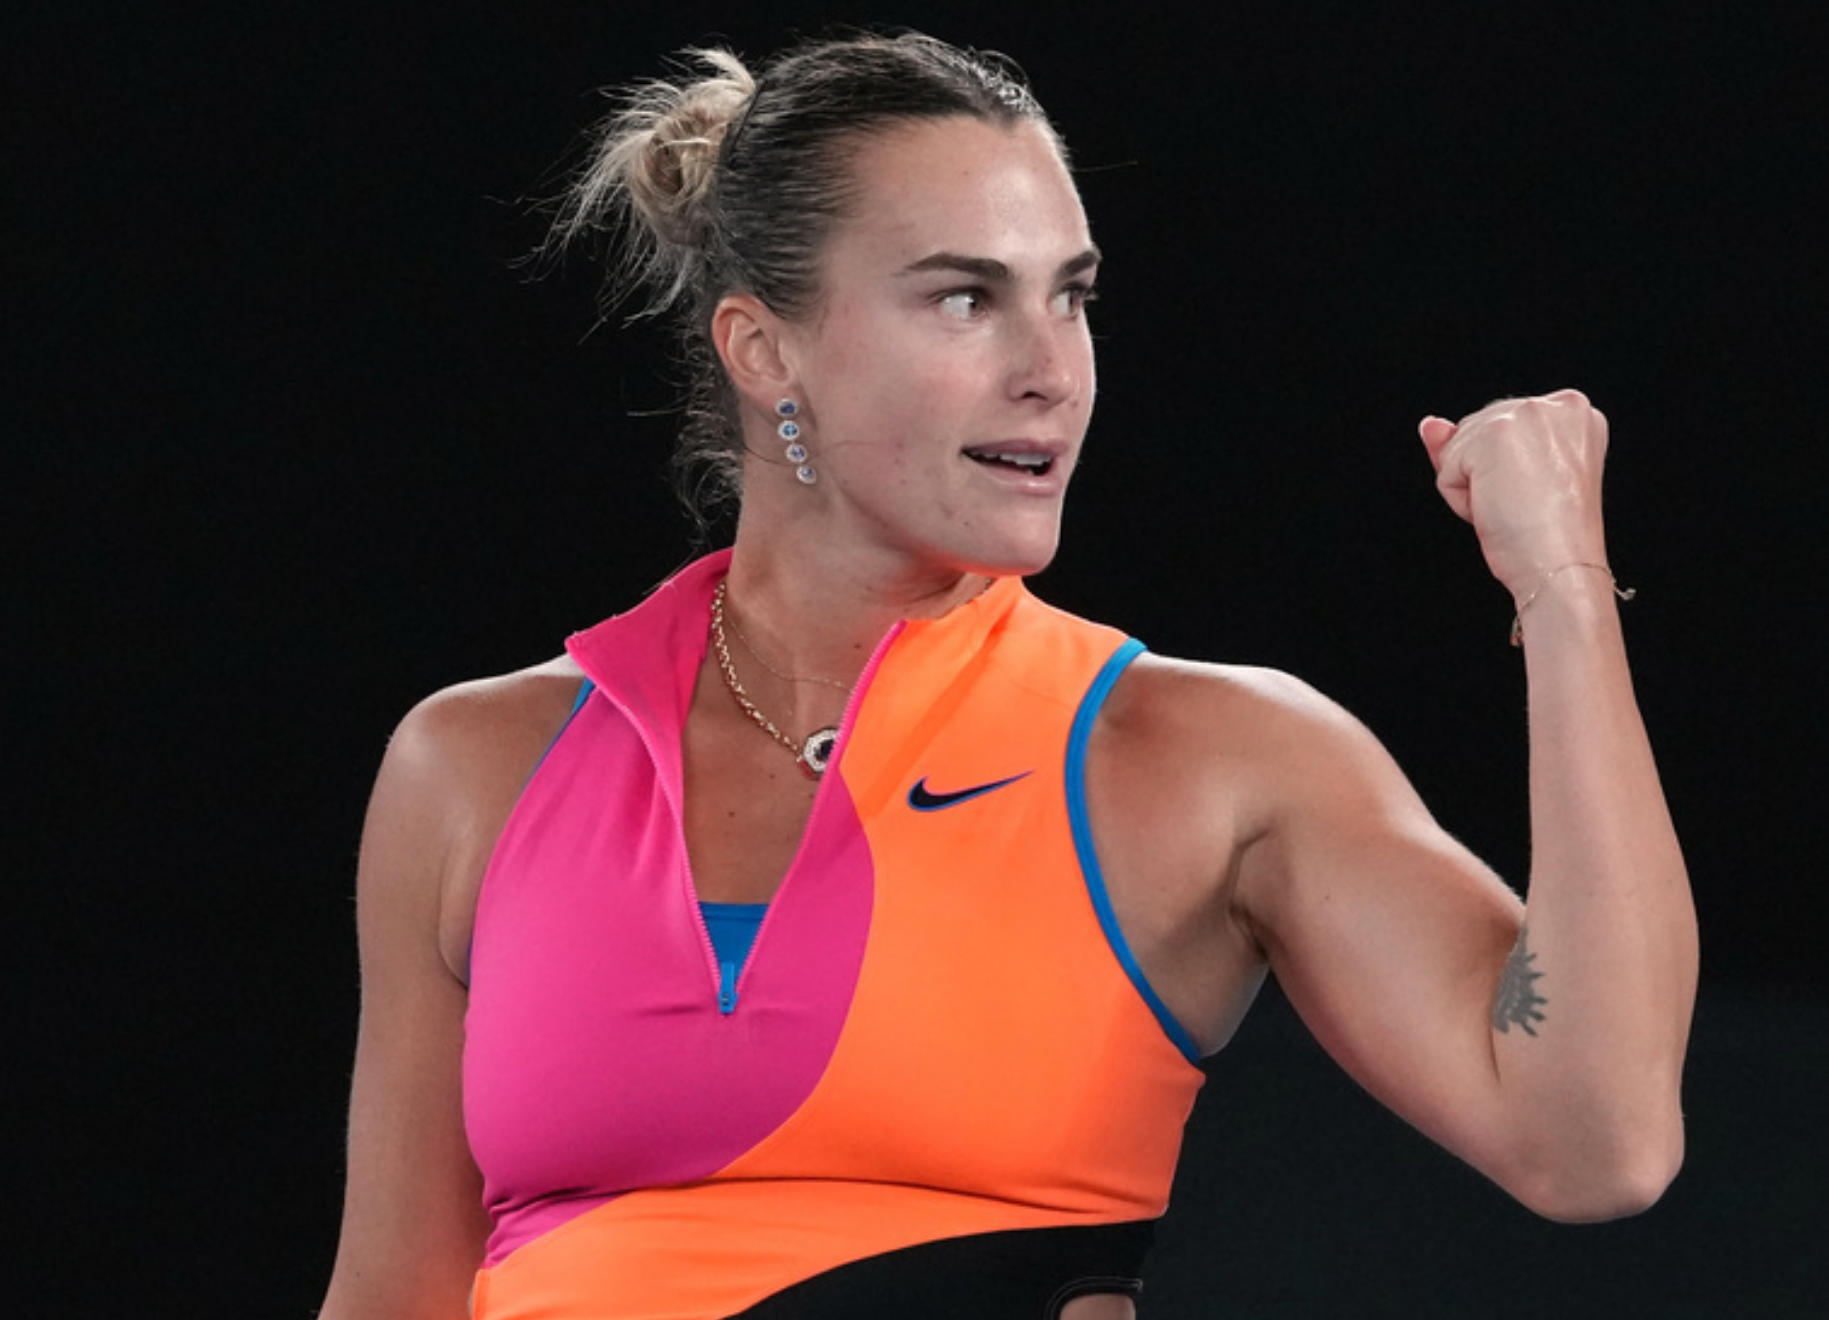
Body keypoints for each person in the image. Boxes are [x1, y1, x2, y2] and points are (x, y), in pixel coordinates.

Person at [316, 31, 1696, 1320]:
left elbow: (1598, 1142)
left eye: (1072, 299)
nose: (1053, 372)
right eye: (966, 298)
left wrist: (1564, 591)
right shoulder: (474, 768)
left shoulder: (1204, 756)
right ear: (764, 349)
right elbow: (388, 1295)